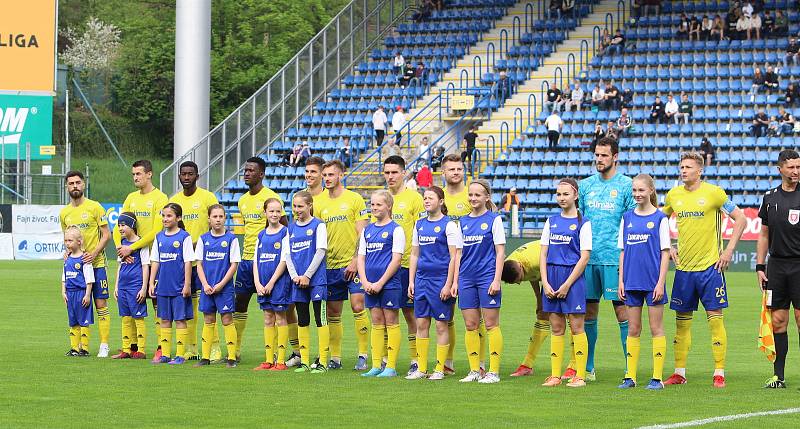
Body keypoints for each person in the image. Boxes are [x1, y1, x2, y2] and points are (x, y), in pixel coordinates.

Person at [662, 152, 747, 388]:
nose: (683, 170)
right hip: (684, 270)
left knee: (715, 322)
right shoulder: (673, 195)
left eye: (688, 166)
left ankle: (719, 372)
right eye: (681, 166)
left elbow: (741, 219)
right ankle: (679, 372)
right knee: (681, 323)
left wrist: (728, 251)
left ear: (699, 171)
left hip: (711, 268)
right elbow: (659, 222)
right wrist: (668, 246)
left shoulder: (714, 193)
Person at [570, 137, 635, 382]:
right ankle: (588, 368)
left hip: (615, 259)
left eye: (604, 155)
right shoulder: (585, 186)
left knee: (623, 314)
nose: (599, 159)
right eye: (597, 155)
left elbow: (631, 223)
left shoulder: (627, 186)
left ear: (615, 156)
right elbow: (580, 221)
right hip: (588, 260)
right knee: (588, 313)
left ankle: (631, 366)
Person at [616, 174, 670, 390]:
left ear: (651, 191)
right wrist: (621, 280)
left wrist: (660, 282)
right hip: (631, 282)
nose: (637, 194)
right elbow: (622, 252)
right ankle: (630, 377)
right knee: (633, 329)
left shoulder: (660, 218)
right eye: (634, 191)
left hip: (652, 283)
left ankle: (657, 378)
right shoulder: (627, 218)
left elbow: (665, 253)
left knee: (656, 328)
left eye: (641, 190)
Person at [316, 160, 370, 370]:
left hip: (352, 264)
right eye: (325, 175)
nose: (327, 178)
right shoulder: (319, 202)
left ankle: (363, 355)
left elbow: (362, 233)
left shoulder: (354, 199)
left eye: (331, 174)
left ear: (341, 175)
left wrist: (356, 260)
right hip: (329, 266)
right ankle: (335, 358)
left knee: (358, 305)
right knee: (333, 312)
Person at [113, 159, 169, 362]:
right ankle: (132, 347)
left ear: (149, 174)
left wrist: (132, 247)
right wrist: (121, 248)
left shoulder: (160, 198)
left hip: (154, 257)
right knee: (129, 305)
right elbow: (118, 225)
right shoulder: (131, 198)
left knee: (156, 301)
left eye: (138, 174)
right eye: (133, 174)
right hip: (130, 257)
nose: (135, 177)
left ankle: (162, 346)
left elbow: (156, 231)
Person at [540, 178, 592, 388]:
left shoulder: (583, 222)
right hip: (551, 278)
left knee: (577, 327)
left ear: (575, 196)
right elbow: (543, 254)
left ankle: (580, 375)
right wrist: (545, 281)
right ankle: (555, 375)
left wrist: (568, 284)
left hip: (573, 279)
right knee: (557, 326)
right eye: (559, 194)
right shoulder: (551, 221)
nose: (561, 198)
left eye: (566, 194)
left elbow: (584, 257)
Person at [406, 186, 461, 380]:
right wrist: (411, 281)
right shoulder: (419, 224)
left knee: (440, 325)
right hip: (421, 280)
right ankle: (421, 368)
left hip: (440, 281)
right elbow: (414, 254)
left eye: (430, 198)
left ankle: (439, 368)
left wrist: (449, 284)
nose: (426, 201)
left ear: (441, 201)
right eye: (425, 198)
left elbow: (455, 257)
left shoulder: (449, 225)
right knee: (421, 323)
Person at [757, 150, 800, 388]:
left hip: (799, 265)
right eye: (791, 167)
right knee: (778, 322)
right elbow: (764, 235)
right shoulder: (770, 198)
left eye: (798, 167)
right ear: (780, 169)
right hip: (777, 267)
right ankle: (778, 376)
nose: (796, 171)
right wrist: (760, 266)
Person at [234, 157, 284, 361]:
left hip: (269, 261)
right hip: (247, 260)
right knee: (239, 304)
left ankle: (291, 352)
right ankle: (234, 350)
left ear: (261, 174)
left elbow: (284, 227)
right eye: (245, 170)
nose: (246, 173)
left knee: (279, 309)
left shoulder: (272, 198)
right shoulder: (242, 201)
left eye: (251, 170)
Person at [169, 160, 220, 361]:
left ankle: (214, 347)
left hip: (204, 262)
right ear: (179, 176)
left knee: (209, 304)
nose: (187, 177)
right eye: (183, 174)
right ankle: (191, 347)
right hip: (182, 264)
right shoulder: (175, 200)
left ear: (197, 176)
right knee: (187, 306)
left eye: (191, 174)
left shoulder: (207, 197)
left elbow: (216, 225)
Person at [456, 180, 506, 384]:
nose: (473, 198)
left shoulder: (494, 220)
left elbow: (500, 252)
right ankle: (475, 369)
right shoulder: (462, 222)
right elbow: (458, 254)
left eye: (477, 195)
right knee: (470, 325)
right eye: (470, 195)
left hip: (487, 277)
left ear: (487, 197)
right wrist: (455, 281)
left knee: (491, 324)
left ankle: (493, 371)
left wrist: (496, 280)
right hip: (466, 278)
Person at [60, 171, 112, 358]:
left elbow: (107, 235)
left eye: (78, 182)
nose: (75, 186)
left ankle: (104, 344)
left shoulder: (94, 207)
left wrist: (94, 253)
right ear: (67, 187)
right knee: (79, 307)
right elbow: (66, 237)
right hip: (76, 269)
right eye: (71, 183)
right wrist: (67, 252)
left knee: (100, 303)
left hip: (96, 264)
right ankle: (79, 346)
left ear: (83, 185)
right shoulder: (65, 213)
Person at [383, 156, 426, 375]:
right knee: (383, 314)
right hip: (384, 266)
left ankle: (416, 359)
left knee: (410, 314)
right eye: (387, 172)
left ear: (403, 173)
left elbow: (422, 230)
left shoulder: (414, 199)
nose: (390, 176)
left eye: (394, 172)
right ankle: (384, 359)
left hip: (408, 265)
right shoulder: (381, 199)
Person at [358, 190, 406, 378]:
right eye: (372, 204)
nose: (374, 208)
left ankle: (391, 366)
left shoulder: (396, 229)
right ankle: (376, 364)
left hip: (389, 284)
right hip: (369, 284)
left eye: (378, 204)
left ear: (388, 206)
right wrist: (365, 281)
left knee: (391, 322)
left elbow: (396, 260)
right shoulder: (367, 230)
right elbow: (361, 258)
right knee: (376, 323)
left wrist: (379, 283)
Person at [284, 191, 330, 373]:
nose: (297, 210)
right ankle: (304, 361)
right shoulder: (291, 228)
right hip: (298, 280)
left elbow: (320, 251)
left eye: (300, 206)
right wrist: (295, 275)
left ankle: (323, 362)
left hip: (316, 280)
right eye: (294, 206)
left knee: (321, 319)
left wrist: (307, 275)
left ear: (310, 205)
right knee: (303, 320)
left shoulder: (318, 225)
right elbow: (287, 254)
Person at [194, 204, 240, 368]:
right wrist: (205, 284)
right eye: (215, 216)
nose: (218, 219)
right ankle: (205, 357)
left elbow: (233, 265)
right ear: (209, 219)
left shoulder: (231, 239)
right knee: (208, 320)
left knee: (227, 319)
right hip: (207, 288)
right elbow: (199, 264)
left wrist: (221, 284)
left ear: (225, 219)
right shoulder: (203, 239)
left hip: (224, 288)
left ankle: (232, 358)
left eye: (221, 216)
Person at [148, 203, 195, 365]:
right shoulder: (159, 237)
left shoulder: (184, 237)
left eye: (169, 216)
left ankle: (180, 355)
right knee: (165, 319)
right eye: (163, 216)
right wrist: (151, 282)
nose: (165, 219)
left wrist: (187, 284)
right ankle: (165, 354)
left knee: (180, 320)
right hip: (163, 286)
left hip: (179, 286)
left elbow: (188, 261)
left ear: (178, 218)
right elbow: (155, 260)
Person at [253, 198, 292, 371]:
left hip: (278, 283)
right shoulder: (261, 235)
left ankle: (281, 361)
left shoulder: (285, 233)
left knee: (280, 317)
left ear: (282, 212)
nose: (275, 214)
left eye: (278, 211)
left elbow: (284, 260)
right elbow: (256, 260)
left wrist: (271, 282)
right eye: (271, 211)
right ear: (265, 213)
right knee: (268, 318)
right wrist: (258, 283)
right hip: (262, 284)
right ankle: (269, 360)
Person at [441, 154, 472, 372]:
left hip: (471, 264)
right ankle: (448, 362)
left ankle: (478, 363)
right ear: (443, 172)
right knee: (446, 315)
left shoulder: (472, 194)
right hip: (445, 264)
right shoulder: (437, 197)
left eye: (459, 169)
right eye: (451, 169)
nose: (455, 173)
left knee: (474, 317)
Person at [502, 240, 551, 377]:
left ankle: (574, 365)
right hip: (543, 268)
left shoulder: (534, 260)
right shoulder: (511, 264)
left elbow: (542, 271)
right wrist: (539, 299)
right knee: (542, 315)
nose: (518, 282)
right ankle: (527, 366)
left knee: (566, 315)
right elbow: (532, 276)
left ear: (520, 267)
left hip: (557, 267)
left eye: (519, 279)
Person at [110, 213, 149, 360]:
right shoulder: (122, 243)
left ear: (132, 225)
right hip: (123, 286)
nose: (120, 228)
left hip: (136, 286)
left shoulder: (141, 244)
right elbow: (120, 266)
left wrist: (144, 287)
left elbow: (145, 266)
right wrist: (116, 286)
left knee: (138, 318)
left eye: (123, 225)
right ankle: (126, 349)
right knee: (125, 318)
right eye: (118, 225)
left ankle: (141, 350)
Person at [62, 226, 96, 357]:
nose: (67, 243)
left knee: (83, 321)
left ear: (79, 242)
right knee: (73, 321)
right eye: (66, 240)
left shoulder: (84, 259)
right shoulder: (67, 258)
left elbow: (89, 279)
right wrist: (63, 291)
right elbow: (63, 277)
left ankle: (85, 348)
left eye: (70, 240)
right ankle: (74, 348)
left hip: (81, 293)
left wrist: (87, 294)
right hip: (70, 294)